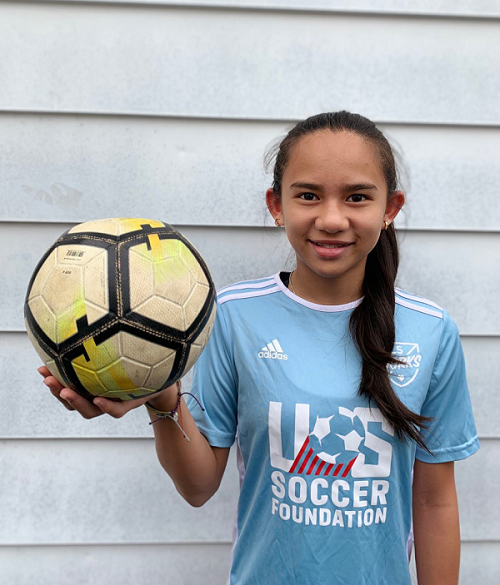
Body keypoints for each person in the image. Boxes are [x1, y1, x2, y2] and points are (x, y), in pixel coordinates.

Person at [39, 111, 479, 584]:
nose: (332, 219)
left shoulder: (430, 331)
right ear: (276, 205)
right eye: (308, 195)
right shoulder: (233, 316)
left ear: (390, 208)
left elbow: (434, 501)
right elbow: (198, 485)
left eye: (357, 197)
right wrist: (164, 400)